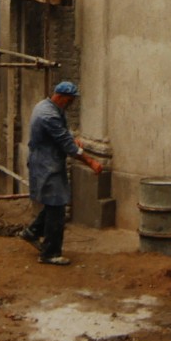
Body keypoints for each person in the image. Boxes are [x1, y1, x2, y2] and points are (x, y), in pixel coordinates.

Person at [21, 80, 103, 265]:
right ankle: (50, 253)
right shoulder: (49, 115)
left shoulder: (45, 106)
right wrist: (91, 162)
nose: (71, 104)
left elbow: (63, 135)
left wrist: (72, 138)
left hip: (45, 161)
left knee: (53, 203)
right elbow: (67, 145)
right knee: (57, 207)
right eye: (70, 100)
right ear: (62, 97)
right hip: (46, 165)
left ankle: (32, 231)